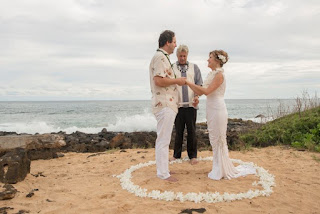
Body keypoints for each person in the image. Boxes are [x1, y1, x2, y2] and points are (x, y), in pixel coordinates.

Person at [186, 50, 256, 180]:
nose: (208, 60)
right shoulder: (212, 74)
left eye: (210, 58)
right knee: (214, 138)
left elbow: (207, 91)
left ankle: (222, 169)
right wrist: (196, 97)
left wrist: (188, 83)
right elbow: (203, 90)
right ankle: (217, 166)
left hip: (218, 109)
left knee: (218, 138)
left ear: (217, 61)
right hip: (211, 108)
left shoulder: (219, 75)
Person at [149, 30, 186, 182]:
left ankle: (165, 170)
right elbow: (158, 80)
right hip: (164, 103)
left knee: (165, 139)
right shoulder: (159, 57)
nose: (176, 45)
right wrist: (177, 81)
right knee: (163, 140)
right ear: (167, 42)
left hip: (167, 103)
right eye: (174, 42)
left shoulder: (163, 57)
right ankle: (163, 174)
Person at [171, 45, 203, 165]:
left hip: (191, 106)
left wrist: (196, 97)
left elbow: (199, 84)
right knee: (178, 131)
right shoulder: (172, 67)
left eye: (184, 56)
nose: (182, 58)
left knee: (192, 131)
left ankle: (193, 156)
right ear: (177, 56)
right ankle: (176, 155)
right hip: (177, 105)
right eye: (180, 56)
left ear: (187, 55)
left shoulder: (194, 68)